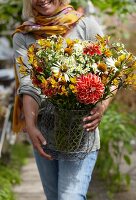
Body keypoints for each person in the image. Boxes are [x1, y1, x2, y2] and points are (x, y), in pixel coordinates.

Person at [13, 0, 113, 199]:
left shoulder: (86, 26)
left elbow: (110, 74)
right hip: (44, 134)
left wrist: (101, 106)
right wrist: (31, 126)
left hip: (81, 132)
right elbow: (28, 85)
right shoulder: (23, 36)